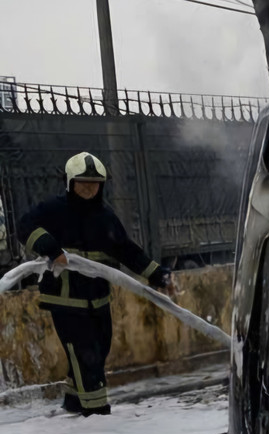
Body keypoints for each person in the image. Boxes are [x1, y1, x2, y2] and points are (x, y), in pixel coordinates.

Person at [16, 152, 173, 416]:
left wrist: (157, 274)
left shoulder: (105, 217)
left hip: (97, 298)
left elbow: (126, 250)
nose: (88, 188)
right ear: (69, 183)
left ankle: (75, 402)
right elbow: (25, 226)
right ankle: (96, 411)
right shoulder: (53, 210)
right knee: (84, 353)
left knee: (99, 349)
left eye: (94, 183)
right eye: (82, 183)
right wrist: (51, 249)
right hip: (66, 298)